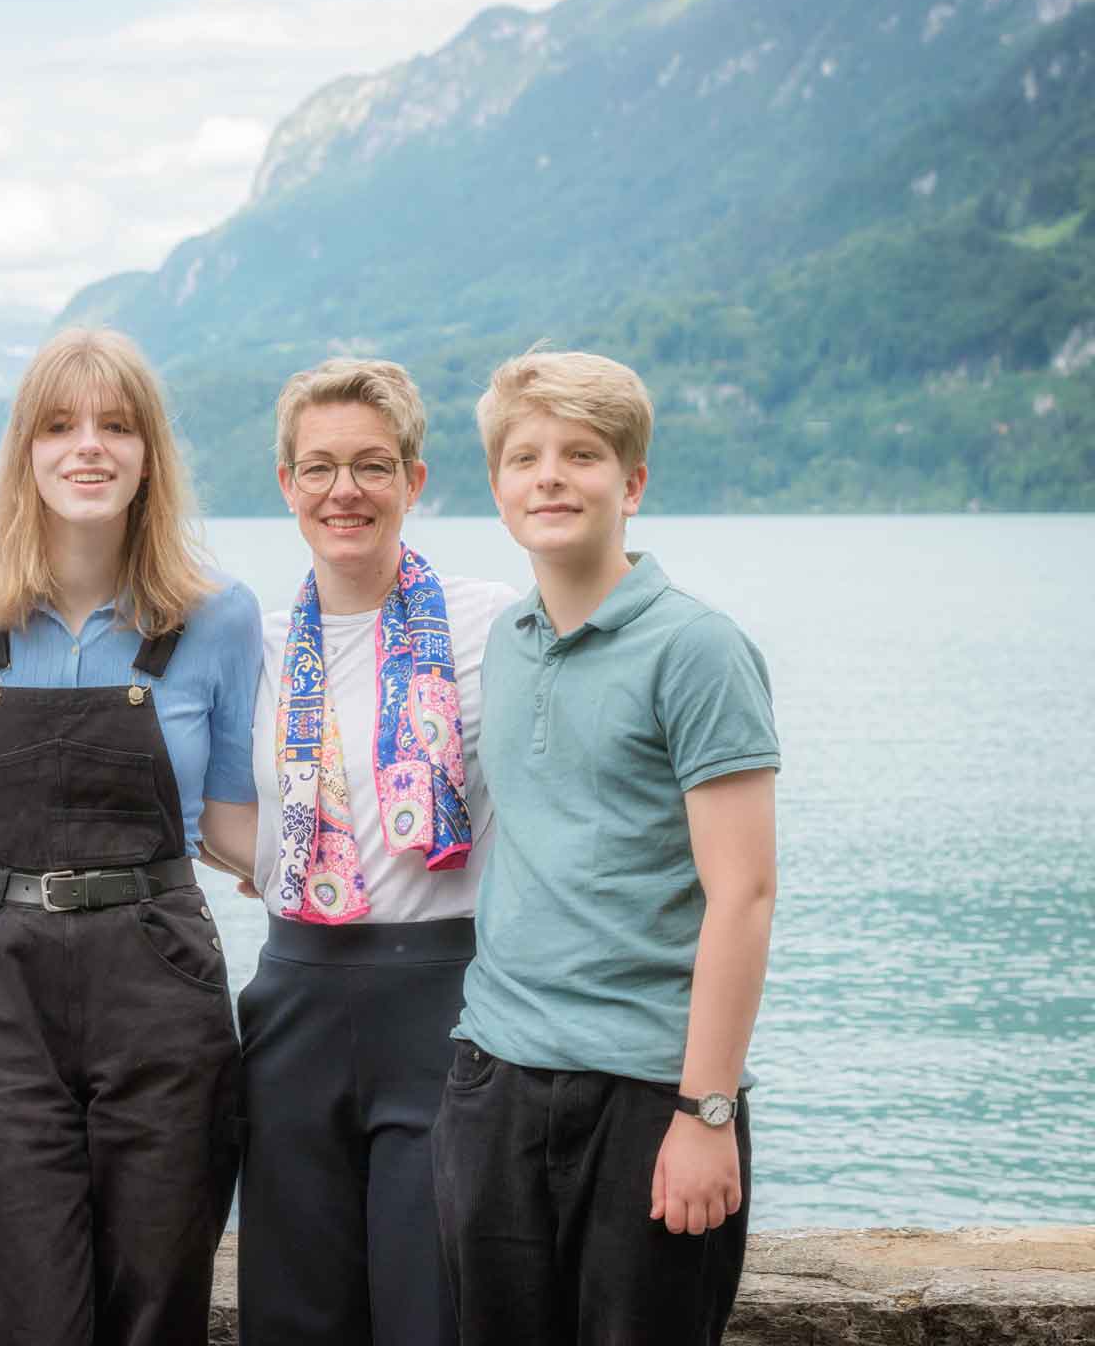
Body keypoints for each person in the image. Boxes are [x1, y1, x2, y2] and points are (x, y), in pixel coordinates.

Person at [433, 349, 780, 1345]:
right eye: (525, 456)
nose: (550, 475)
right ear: (498, 490)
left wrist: (706, 1111)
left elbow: (743, 894)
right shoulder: (507, 639)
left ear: (630, 483)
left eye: (581, 454)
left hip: (649, 1094)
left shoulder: (697, 650)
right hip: (494, 1077)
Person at [0, 327, 261, 1346]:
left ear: (149, 454)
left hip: (160, 978)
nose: (89, 448)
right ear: (26, 453)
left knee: (157, 1304)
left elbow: (238, 827)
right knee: (27, 1313)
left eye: (117, 427)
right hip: (2, 986)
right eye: (60, 426)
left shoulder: (218, 617)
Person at [236, 358, 520, 1346]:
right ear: (286, 485)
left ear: (413, 478)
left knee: (432, 1308)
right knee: (292, 1313)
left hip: (443, 1000)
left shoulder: (497, 624)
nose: (343, 491)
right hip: (295, 1000)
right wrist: (264, 859)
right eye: (317, 468)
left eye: (370, 466)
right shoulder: (254, 645)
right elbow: (211, 803)